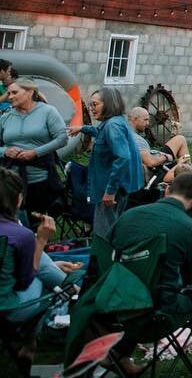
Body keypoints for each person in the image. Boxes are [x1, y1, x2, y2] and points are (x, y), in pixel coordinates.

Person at [109, 171, 192, 376]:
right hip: (158, 311)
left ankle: (119, 355)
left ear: (168, 190)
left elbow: (108, 254)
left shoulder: (128, 215)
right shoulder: (190, 228)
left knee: (143, 287)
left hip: (115, 302)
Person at [0, 169, 83, 356]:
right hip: (9, 309)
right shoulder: (20, 235)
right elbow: (25, 280)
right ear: (17, 198)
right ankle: (31, 346)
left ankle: (28, 344)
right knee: (54, 288)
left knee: (45, 270)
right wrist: (41, 240)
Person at [72, 87, 144, 240]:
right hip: (118, 187)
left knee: (104, 234)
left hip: (113, 189)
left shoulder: (113, 126)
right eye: (90, 105)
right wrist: (83, 128)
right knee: (112, 230)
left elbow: (123, 157)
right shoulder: (114, 122)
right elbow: (101, 133)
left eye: (95, 105)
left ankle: (104, 261)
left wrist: (110, 191)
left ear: (108, 104)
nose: (91, 109)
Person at [0, 77, 68, 216]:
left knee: (36, 221)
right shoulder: (6, 117)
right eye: (8, 93)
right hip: (9, 180)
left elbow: (62, 138)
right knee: (10, 220)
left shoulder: (48, 112)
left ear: (30, 92)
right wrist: (5, 151)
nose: (10, 97)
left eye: (14, 92)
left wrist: (36, 152)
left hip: (39, 179)